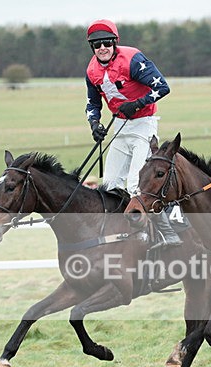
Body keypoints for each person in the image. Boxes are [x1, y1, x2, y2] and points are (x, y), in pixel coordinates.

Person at [84, 19, 181, 248]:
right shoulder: (91, 71)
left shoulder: (133, 59)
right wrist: (94, 124)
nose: (102, 48)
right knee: (109, 184)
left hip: (144, 124)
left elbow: (162, 87)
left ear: (115, 42)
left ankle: (168, 234)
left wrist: (137, 104)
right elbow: (92, 103)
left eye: (107, 43)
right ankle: (120, 234)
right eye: (97, 45)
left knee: (135, 185)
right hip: (118, 125)